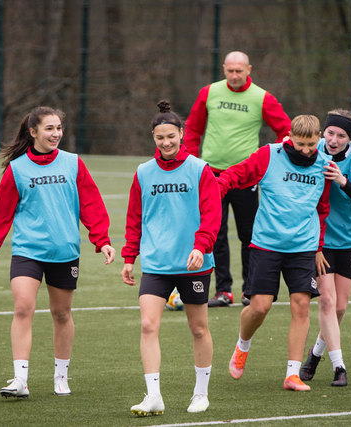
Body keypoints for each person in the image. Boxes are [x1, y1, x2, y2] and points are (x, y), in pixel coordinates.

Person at [0, 106, 115, 398]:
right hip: (28, 251)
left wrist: (101, 239)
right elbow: (1, 212)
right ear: (33, 132)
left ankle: (61, 376)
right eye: (49, 128)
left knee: (61, 313)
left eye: (58, 128)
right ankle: (20, 380)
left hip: (65, 251)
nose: (56, 133)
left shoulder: (73, 163)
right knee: (23, 307)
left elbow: (90, 204)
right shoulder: (17, 169)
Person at [121, 101, 221, 416]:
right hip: (156, 264)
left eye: (171, 136)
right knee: (147, 324)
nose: (166, 143)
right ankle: (153, 396)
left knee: (199, 329)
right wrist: (129, 256)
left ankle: (200, 393)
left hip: (193, 263)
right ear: (153, 138)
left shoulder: (199, 169)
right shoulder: (143, 173)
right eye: (160, 138)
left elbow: (212, 214)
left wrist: (201, 246)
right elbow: (135, 218)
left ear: (181, 134)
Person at [222, 114, 331, 391]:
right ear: (290, 137)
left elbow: (322, 209)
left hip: (303, 247)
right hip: (267, 244)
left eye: (311, 144)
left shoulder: (325, 166)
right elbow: (236, 174)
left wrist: (318, 246)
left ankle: (292, 374)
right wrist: (215, 188)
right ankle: (242, 345)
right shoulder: (269, 155)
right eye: (300, 144)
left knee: (302, 305)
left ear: (318, 138)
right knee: (260, 307)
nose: (305, 150)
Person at [184, 51, 291, 307]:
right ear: (223, 69)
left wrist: (270, 160)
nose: (234, 75)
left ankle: (249, 290)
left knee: (249, 234)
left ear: (249, 70)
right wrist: (191, 163)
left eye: (239, 71)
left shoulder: (262, 97)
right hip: (212, 176)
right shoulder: (209, 93)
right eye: (230, 70)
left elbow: (285, 131)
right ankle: (223, 291)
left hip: (245, 178)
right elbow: (193, 129)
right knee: (215, 233)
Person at [299, 109, 351, 387]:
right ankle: (339, 366)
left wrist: (343, 181)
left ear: (349, 139)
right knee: (327, 302)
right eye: (330, 133)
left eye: (341, 136)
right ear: (323, 133)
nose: (333, 140)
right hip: (320, 241)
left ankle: (315, 355)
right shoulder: (312, 150)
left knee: (339, 307)